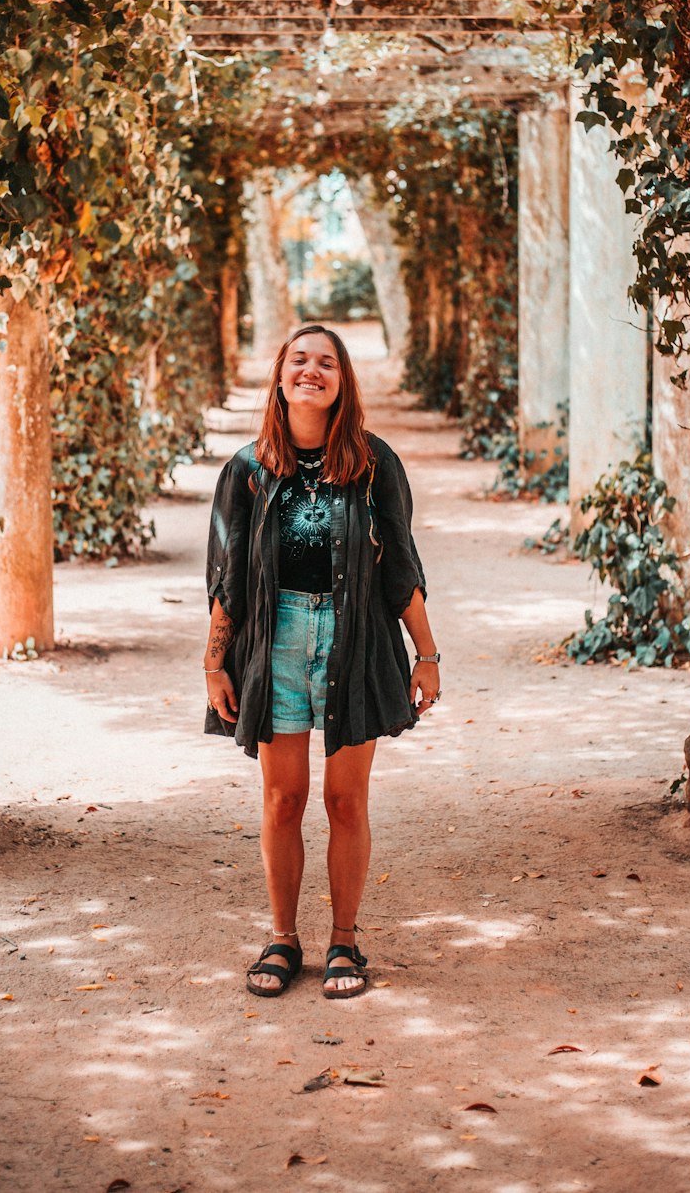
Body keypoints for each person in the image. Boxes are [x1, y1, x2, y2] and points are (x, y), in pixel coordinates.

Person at [203, 324, 441, 1000]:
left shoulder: (374, 463)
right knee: (283, 799)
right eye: (299, 360)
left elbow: (401, 564)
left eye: (326, 363)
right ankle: (282, 938)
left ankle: (345, 940)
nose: (312, 370)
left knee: (344, 799)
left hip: (354, 637)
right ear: (279, 377)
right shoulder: (246, 471)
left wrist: (426, 653)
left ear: (342, 382)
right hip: (274, 642)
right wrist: (213, 663)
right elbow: (226, 578)